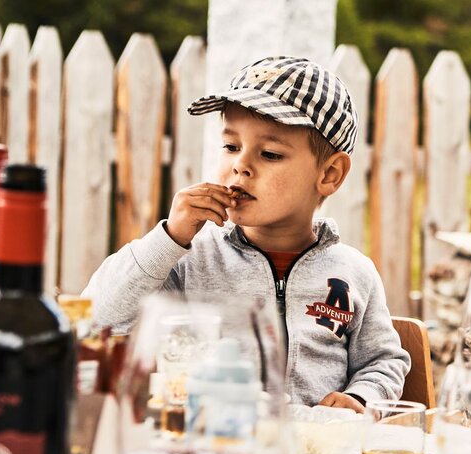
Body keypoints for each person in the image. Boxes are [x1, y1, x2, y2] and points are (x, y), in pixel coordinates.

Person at [85, 56, 409, 411]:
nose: (240, 164)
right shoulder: (190, 258)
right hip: (211, 450)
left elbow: (383, 361)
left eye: (269, 153)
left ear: (329, 174)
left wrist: (359, 398)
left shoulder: (353, 274)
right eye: (231, 146)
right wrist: (169, 238)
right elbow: (98, 319)